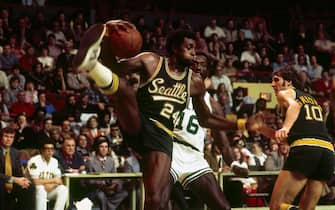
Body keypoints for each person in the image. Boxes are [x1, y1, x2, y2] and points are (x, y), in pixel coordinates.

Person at [73, 20, 247, 209]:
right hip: (139, 122)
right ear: (174, 48)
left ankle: (91, 66)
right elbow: (116, 68)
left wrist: (241, 124)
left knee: (155, 201)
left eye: (194, 48)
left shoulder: (194, 83)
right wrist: (107, 39)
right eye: (189, 47)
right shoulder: (151, 61)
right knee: (125, 91)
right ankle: (91, 64)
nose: (193, 52)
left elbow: (206, 119)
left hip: (161, 135)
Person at [160, 52, 248, 210]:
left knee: (222, 207)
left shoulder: (213, 104)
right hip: (170, 150)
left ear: (208, 71)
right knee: (158, 203)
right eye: (195, 63)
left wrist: (234, 164)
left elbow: (223, 143)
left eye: (203, 64)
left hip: (195, 156)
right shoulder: (172, 88)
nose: (198, 67)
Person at [249, 67, 335, 210]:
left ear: (288, 82)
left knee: (276, 206)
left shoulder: (286, 93)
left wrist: (285, 127)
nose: (272, 84)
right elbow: (286, 139)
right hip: (327, 151)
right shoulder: (311, 99)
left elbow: (294, 107)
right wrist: (261, 128)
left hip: (306, 149)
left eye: (276, 79)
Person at [85, 136, 128, 210]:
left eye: (106, 147)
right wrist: (104, 187)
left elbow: (115, 176)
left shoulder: (111, 160)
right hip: (96, 189)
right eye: (101, 147)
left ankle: (108, 206)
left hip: (109, 188)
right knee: (101, 195)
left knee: (124, 193)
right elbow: (89, 180)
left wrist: (113, 185)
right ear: (97, 148)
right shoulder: (90, 161)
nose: (104, 149)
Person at [27, 137, 68, 210]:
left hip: (49, 189)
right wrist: (53, 181)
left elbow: (59, 181)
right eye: (47, 149)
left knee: (63, 189)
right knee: (40, 188)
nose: (50, 151)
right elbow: (35, 181)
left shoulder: (55, 161)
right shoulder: (34, 161)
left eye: (52, 149)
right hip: (34, 191)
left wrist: (52, 185)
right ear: (42, 150)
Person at [0, 126, 35, 210]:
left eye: (11, 137)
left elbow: (19, 173)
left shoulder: (16, 153)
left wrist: (23, 180)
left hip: (12, 183)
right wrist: (14, 179)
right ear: (1, 137)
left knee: (29, 187)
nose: (9, 139)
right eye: (6, 136)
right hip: (2, 182)